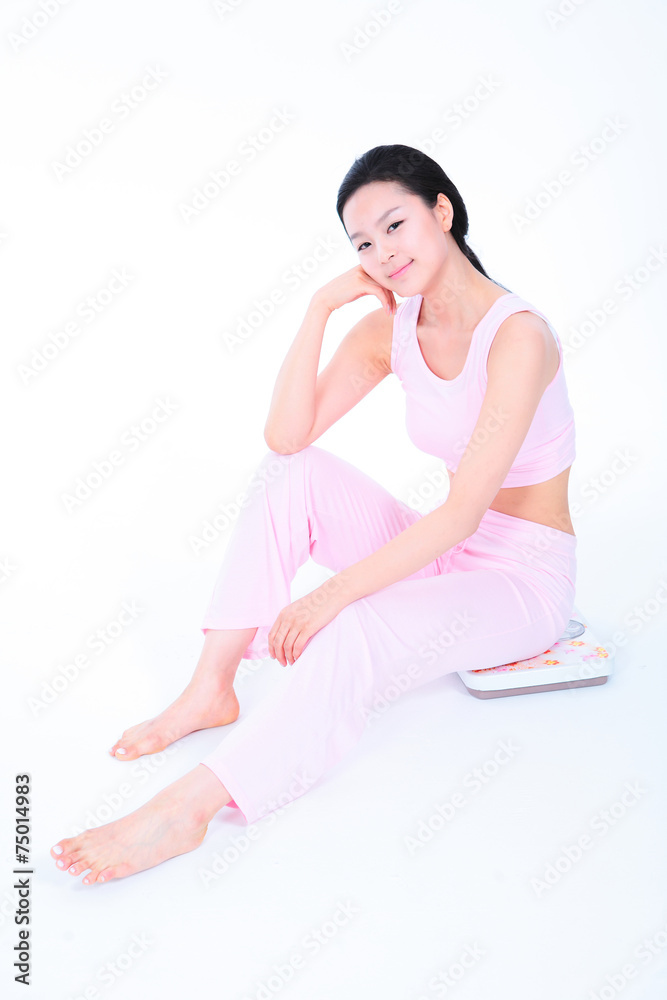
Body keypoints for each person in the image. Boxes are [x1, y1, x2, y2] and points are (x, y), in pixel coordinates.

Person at [51, 143, 577, 885]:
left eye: (394, 225)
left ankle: (189, 808)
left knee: (354, 623)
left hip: (520, 579)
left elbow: (463, 514)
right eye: (362, 243)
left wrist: (331, 594)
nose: (382, 252)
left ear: (442, 211)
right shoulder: (393, 330)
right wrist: (319, 309)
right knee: (291, 475)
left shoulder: (518, 336)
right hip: (445, 553)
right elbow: (287, 437)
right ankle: (210, 688)